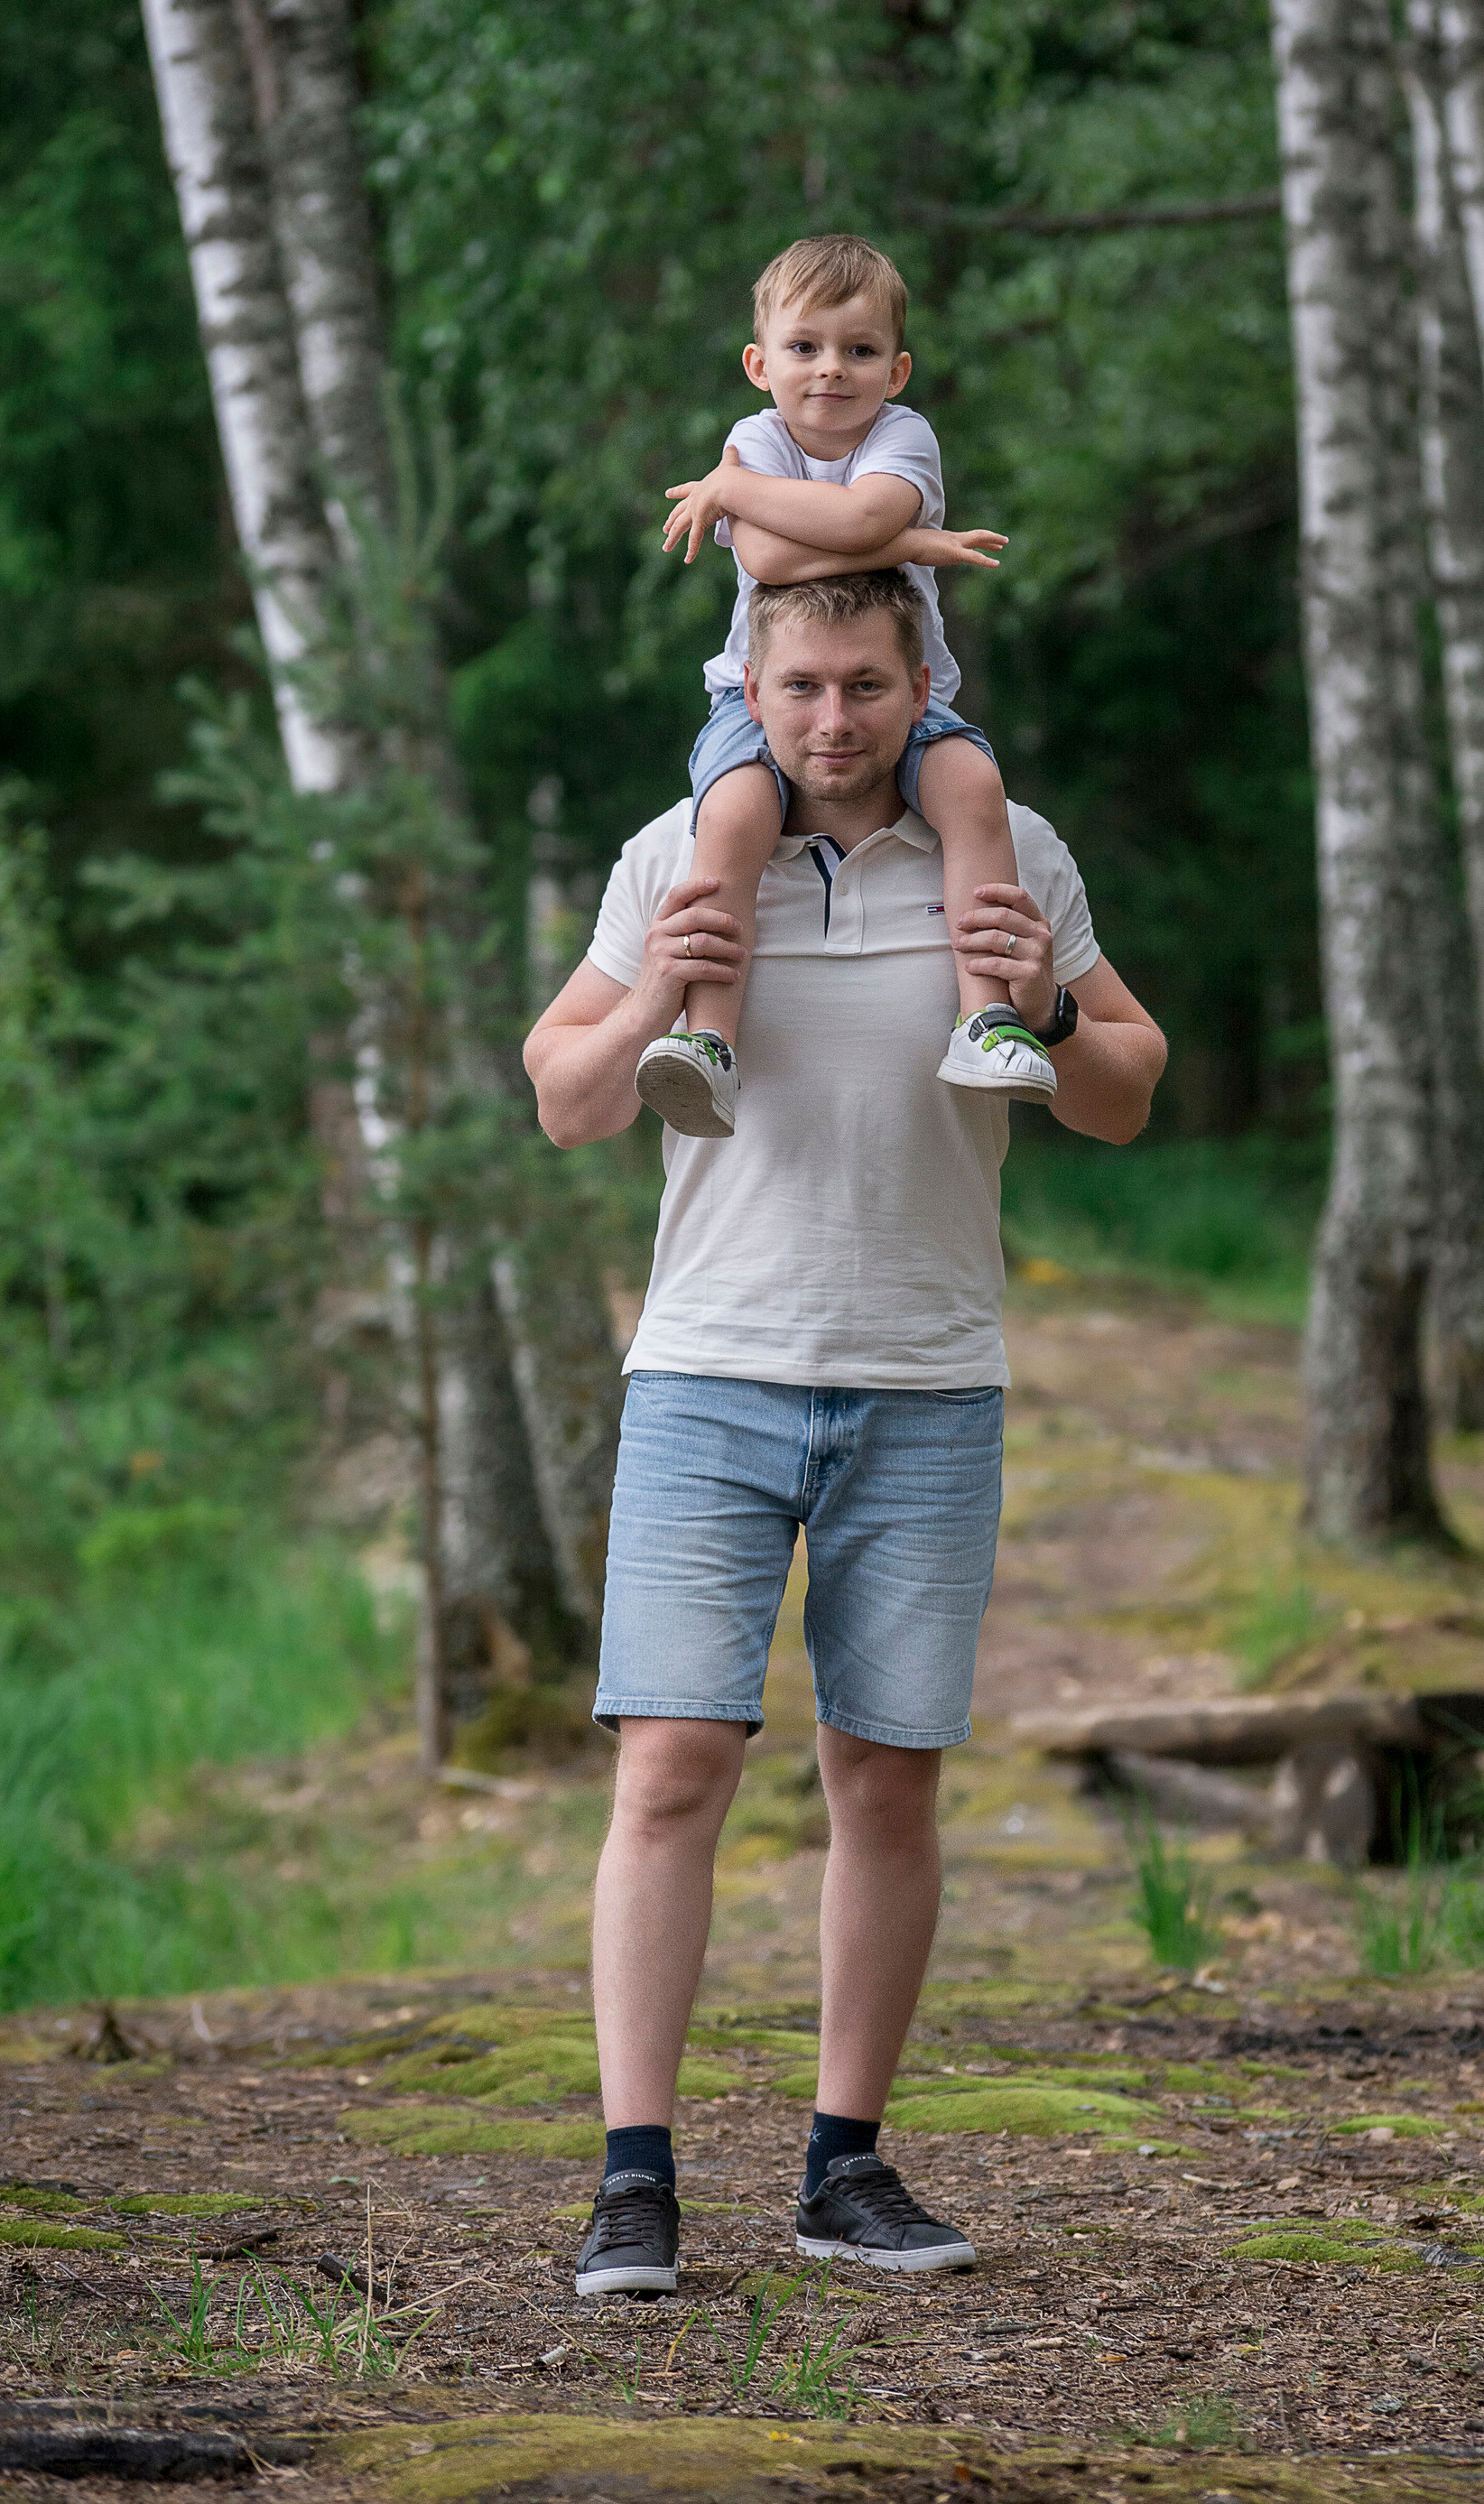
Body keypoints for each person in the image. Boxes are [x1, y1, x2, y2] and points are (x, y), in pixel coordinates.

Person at [524, 565, 1165, 2300]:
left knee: (885, 1778)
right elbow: (565, 1100)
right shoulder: (684, 850)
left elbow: (1125, 1086)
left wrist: (1035, 1003)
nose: (831, 720)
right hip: (710, 1374)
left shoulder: (1004, 850)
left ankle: (843, 2166)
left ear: (918, 680)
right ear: (755, 681)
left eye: (867, 686)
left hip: (930, 1381)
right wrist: (662, 987)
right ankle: (635, 2180)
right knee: (671, 1770)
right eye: (800, 686)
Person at [635, 230, 1058, 1141]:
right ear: (759, 364)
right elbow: (766, 555)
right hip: (760, 702)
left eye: (858, 351)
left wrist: (749, 495)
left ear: (896, 369)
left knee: (971, 787)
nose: (830, 371)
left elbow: (859, 511)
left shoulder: (902, 436)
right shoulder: (752, 439)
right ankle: (707, 1042)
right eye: (804, 348)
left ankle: (984, 1017)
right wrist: (908, 545)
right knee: (735, 817)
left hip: (904, 698)